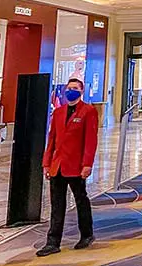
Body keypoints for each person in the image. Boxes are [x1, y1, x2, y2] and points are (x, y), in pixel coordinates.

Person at [37, 76, 98, 256]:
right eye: (68, 87)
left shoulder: (88, 111)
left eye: (75, 87)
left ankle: (86, 234)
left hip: (76, 166)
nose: (71, 90)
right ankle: (53, 241)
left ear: (81, 91)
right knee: (57, 204)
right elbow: (52, 139)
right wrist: (46, 163)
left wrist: (87, 164)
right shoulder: (58, 112)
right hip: (58, 165)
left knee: (81, 200)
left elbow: (90, 140)